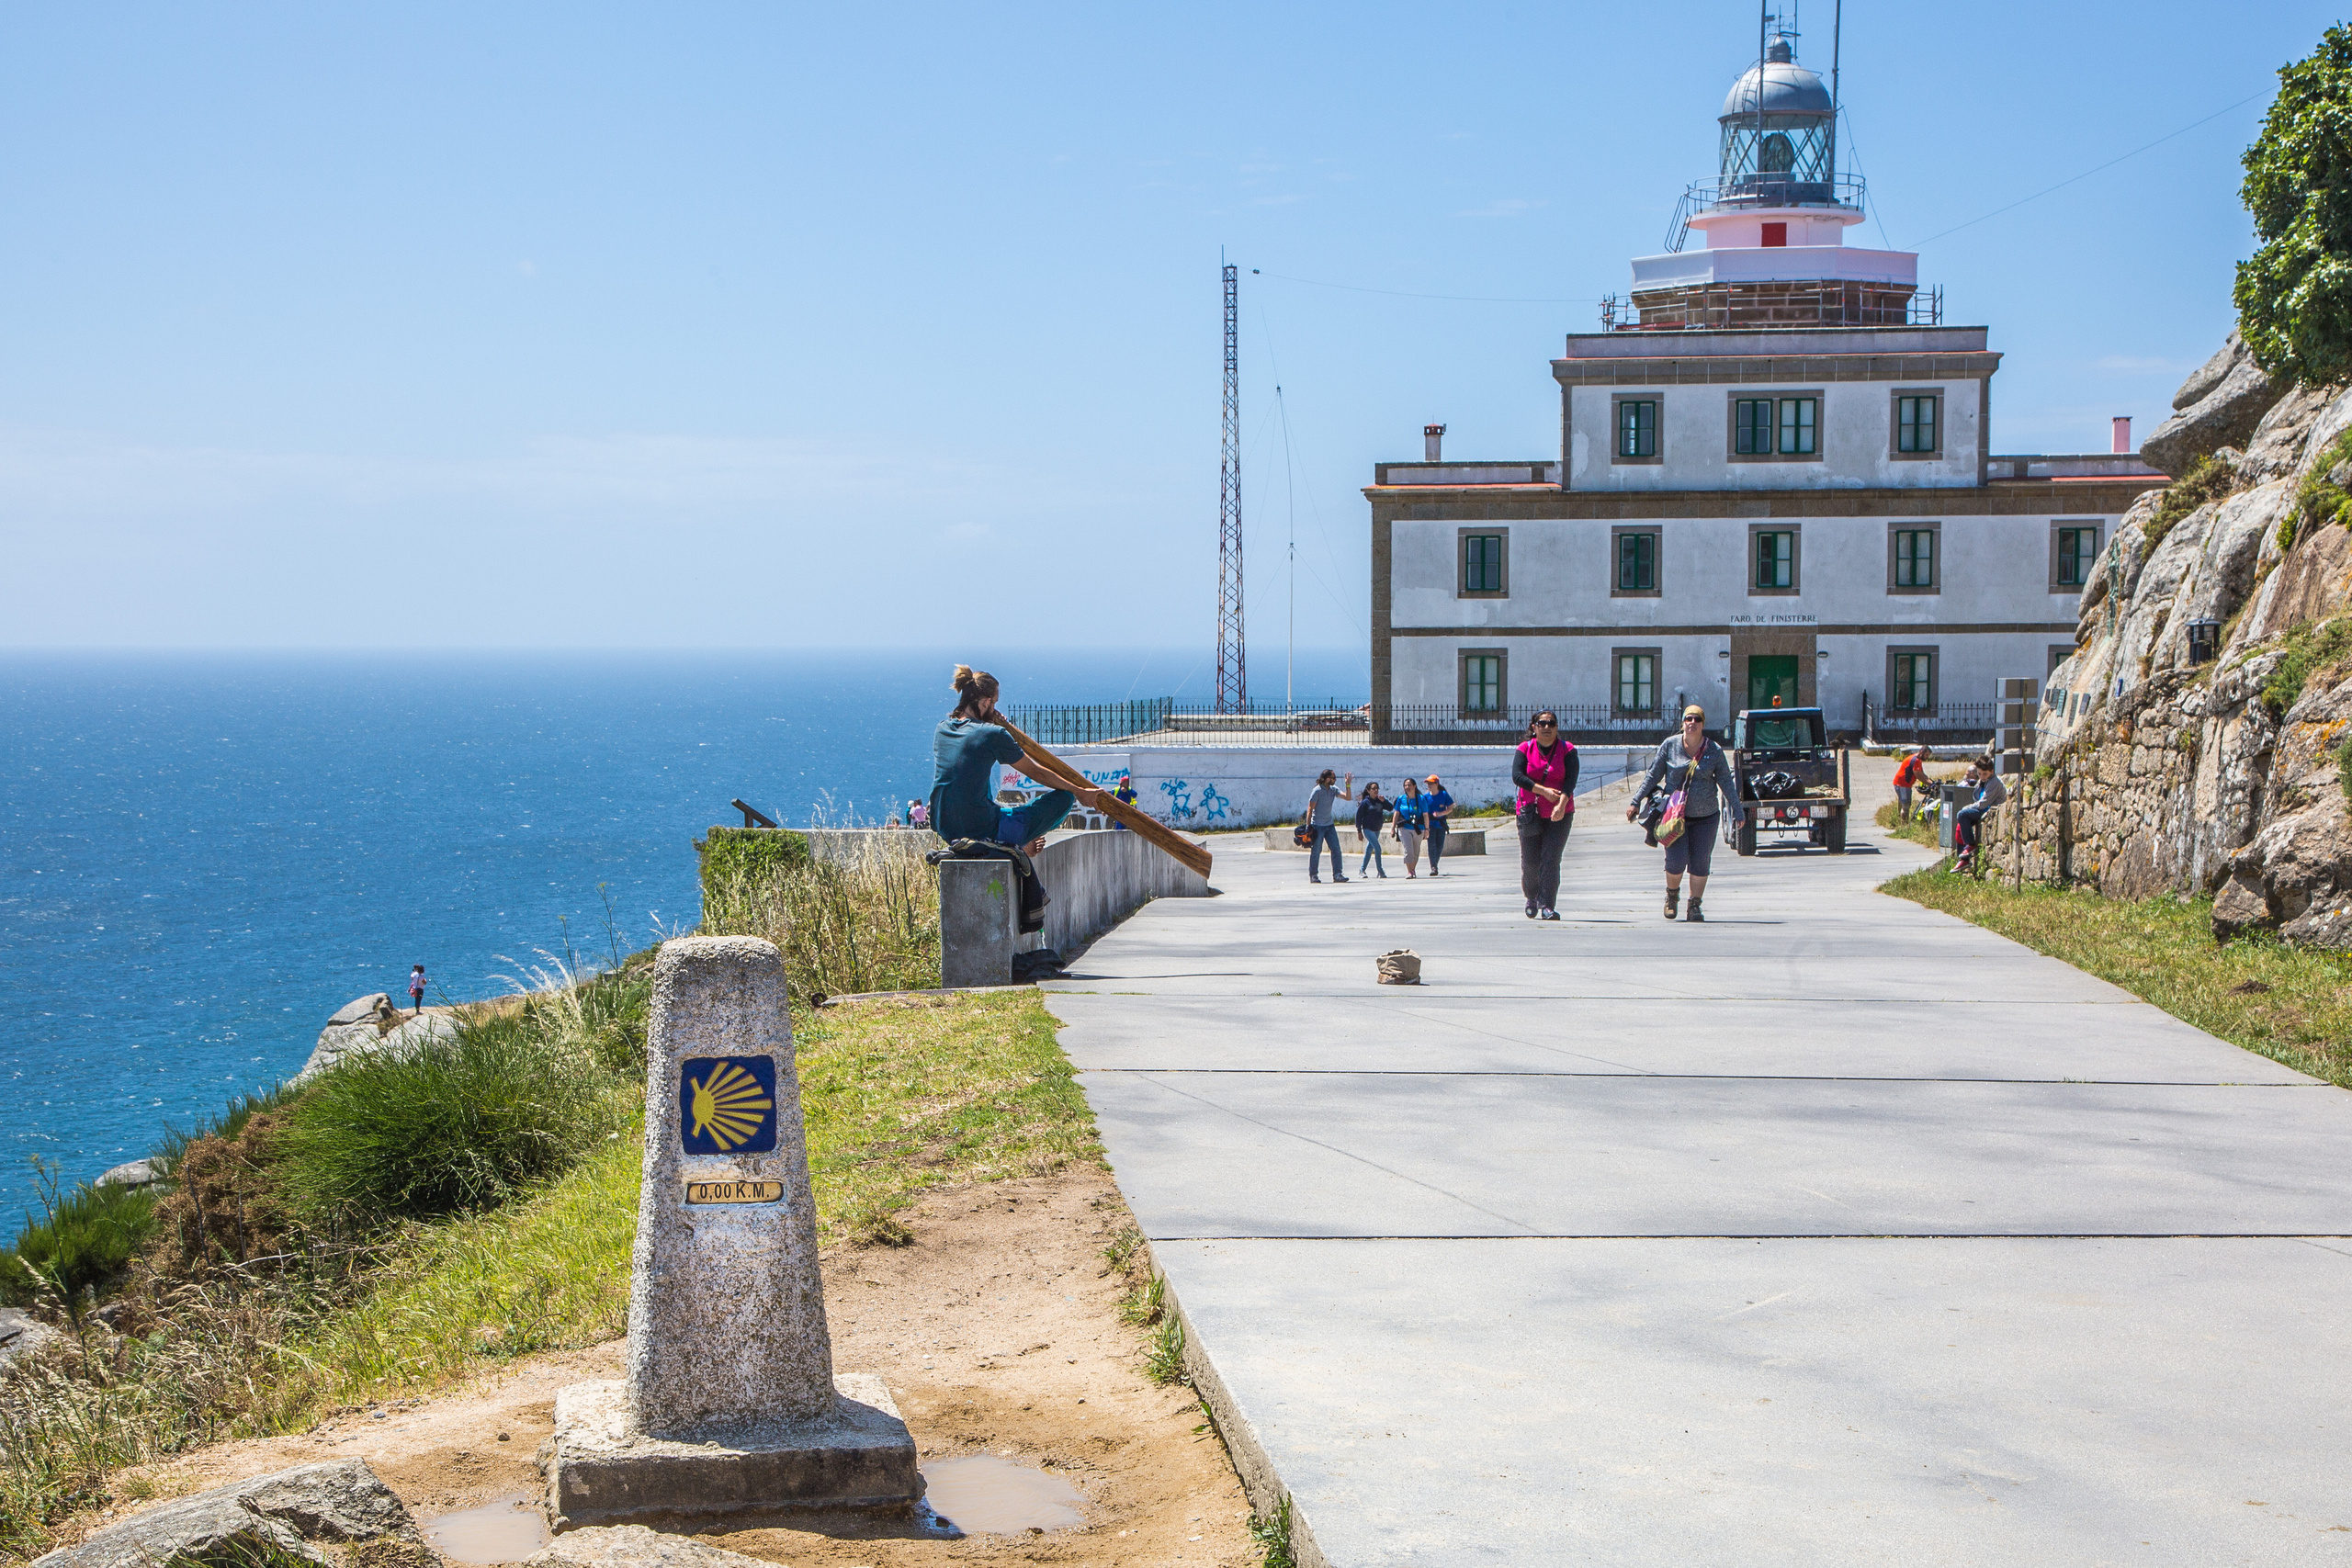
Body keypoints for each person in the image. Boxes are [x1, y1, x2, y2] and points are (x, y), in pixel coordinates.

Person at [929, 665, 1105, 852]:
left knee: (973, 773)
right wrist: (1079, 791)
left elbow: (971, 755)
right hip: (979, 829)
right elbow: (1036, 772)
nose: (995, 708)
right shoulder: (993, 734)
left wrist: (991, 721)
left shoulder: (942, 729)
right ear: (986, 702)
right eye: (994, 703)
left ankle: (1014, 840)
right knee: (1064, 798)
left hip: (944, 826)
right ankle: (1015, 842)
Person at [1627, 705, 1743, 922]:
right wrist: (1636, 800)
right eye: (1688, 719)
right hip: (1673, 816)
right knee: (1676, 861)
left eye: (1697, 719)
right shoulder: (1670, 745)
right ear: (1683, 723)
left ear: (1703, 724)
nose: (1692, 723)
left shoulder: (1714, 750)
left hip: (1706, 817)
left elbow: (1726, 783)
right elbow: (1653, 776)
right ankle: (1672, 896)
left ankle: (1695, 906)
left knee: (1701, 863)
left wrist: (1738, 811)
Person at [1514, 712, 1579, 919]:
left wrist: (1561, 805)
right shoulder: (1525, 749)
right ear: (1534, 727)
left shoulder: (1567, 750)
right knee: (1531, 861)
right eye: (1542, 723)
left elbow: (1570, 781)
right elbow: (1518, 776)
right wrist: (1543, 792)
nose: (1546, 727)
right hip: (1530, 812)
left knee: (1551, 859)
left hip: (1559, 813)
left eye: (1551, 723)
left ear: (1557, 727)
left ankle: (1547, 905)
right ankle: (1531, 897)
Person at [1953, 757, 2007, 871]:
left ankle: (1970, 845)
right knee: (1960, 828)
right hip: (1982, 809)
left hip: (1988, 809)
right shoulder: (1982, 781)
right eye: (1979, 774)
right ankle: (1963, 859)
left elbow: (1982, 803)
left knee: (1962, 814)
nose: (1982, 777)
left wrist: (1966, 808)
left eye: (1985, 774)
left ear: (1992, 771)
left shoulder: (1994, 782)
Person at [1305, 768, 1353, 883]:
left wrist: (1348, 785)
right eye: (1333, 778)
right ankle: (1314, 875)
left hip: (1329, 825)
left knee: (1336, 850)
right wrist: (1308, 826)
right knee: (1316, 851)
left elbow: (1348, 797)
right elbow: (1310, 808)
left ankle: (1338, 874)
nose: (1335, 780)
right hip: (1317, 825)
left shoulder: (1333, 790)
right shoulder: (1317, 791)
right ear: (1327, 779)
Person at [1356, 781, 1393, 879]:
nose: (1375, 790)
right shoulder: (1365, 802)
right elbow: (1358, 817)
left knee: (1369, 849)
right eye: (1373, 788)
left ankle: (1362, 870)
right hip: (1368, 829)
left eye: (1377, 788)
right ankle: (1380, 871)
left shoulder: (1379, 800)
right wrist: (1359, 831)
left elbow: (1390, 808)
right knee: (1377, 848)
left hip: (1377, 828)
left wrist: (1384, 801)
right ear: (1368, 791)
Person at [1395, 777, 1428, 877]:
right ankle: (1409, 871)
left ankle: (1413, 870)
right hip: (1404, 827)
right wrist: (1393, 828)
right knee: (1408, 850)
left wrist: (1427, 829)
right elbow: (1396, 814)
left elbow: (1425, 815)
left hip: (1418, 828)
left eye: (1409, 785)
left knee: (1415, 851)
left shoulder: (1421, 799)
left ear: (1414, 786)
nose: (1407, 787)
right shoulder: (1401, 799)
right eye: (1405, 785)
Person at [1423, 774, 1454, 875]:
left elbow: (1450, 807)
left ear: (1436, 783)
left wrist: (1441, 814)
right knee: (1431, 846)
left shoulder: (1444, 795)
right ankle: (1433, 867)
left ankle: (1435, 864)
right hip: (1430, 825)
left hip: (1441, 824)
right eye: (1428, 784)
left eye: (1431, 783)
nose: (1429, 785)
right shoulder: (1426, 797)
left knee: (1439, 846)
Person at [1891, 743, 1930, 823]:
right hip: (1903, 784)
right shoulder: (1915, 760)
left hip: (1901, 784)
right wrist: (1930, 784)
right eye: (1926, 755)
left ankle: (1898, 822)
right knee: (1906, 805)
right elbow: (1918, 775)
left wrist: (1931, 782)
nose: (1927, 757)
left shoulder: (1917, 759)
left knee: (1902, 804)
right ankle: (1904, 826)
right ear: (1922, 751)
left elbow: (1922, 773)